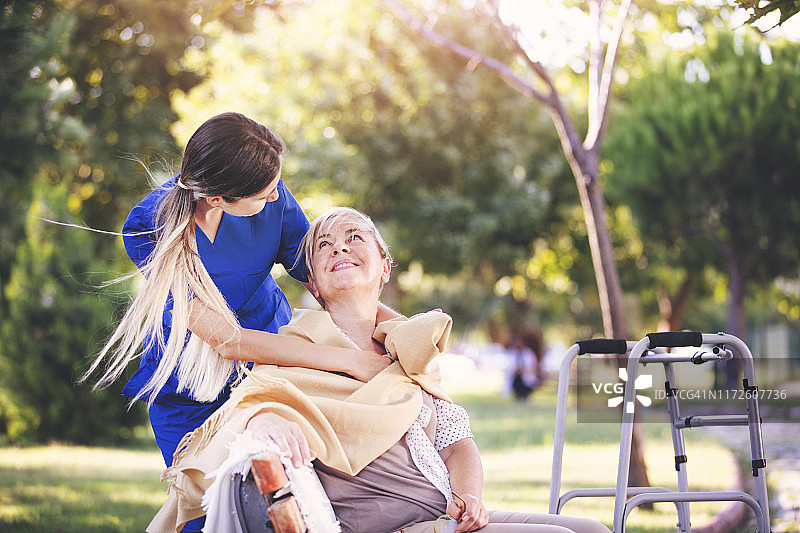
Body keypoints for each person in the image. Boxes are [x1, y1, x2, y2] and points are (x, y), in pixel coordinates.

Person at [148, 207, 611, 533]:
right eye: (323, 245)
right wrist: (261, 418)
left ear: (384, 266)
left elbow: (456, 441)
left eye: (354, 237)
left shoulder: (408, 352)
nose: (339, 248)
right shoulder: (296, 349)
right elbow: (254, 401)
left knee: (590, 528)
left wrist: (471, 497)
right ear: (313, 280)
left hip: (449, 514)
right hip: (398, 525)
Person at [81, 114, 396, 533]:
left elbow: (336, 281)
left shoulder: (273, 196)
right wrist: (342, 362)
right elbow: (226, 340)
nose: (274, 199)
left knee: (289, 503)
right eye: (263, 195)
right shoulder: (148, 228)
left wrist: (400, 330)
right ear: (219, 198)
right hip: (192, 389)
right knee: (206, 513)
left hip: (271, 372)